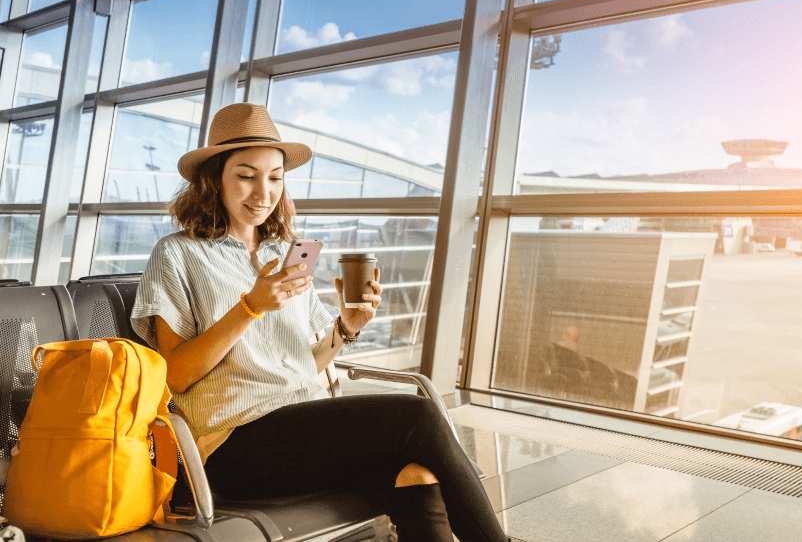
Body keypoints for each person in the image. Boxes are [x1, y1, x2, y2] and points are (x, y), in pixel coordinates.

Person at [130, 103, 518, 542]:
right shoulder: (176, 254)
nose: (263, 191)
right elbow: (177, 376)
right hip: (229, 445)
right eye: (246, 175)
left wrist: (345, 329)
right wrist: (249, 308)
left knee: (417, 475)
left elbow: (299, 365)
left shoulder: (284, 251)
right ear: (213, 178)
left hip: (302, 427)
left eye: (275, 177)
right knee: (418, 414)